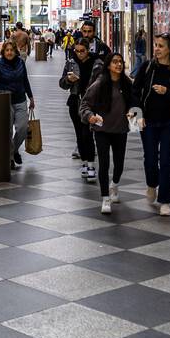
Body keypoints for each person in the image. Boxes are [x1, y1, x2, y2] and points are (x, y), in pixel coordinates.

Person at [133, 33, 170, 217]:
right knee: (150, 158)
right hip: (147, 121)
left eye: (161, 46)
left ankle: (165, 200)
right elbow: (135, 91)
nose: (156, 49)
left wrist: (168, 92)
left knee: (166, 161)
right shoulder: (147, 67)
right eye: (156, 45)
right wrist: (138, 115)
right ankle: (152, 184)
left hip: (169, 123)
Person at [79, 52, 136, 215]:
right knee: (104, 164)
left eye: (121, 62)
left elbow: (134, 103)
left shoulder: (127, 83)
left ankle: (114, 185)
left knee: (119, 164)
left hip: (120, 130)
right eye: (115, 62)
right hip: (102, 130)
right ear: (108, 65)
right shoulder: (99, 84)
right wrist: (90, 116)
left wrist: (134, 115)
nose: (119, 64)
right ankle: (105, 198)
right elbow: (84, 106)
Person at [0, 38, 35, 169]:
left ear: (15, 51)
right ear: (3, 51)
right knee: (6, 131)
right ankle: (10, 158)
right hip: (4, 100)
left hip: (20, 100)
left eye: (11, 50)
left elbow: (25, 80)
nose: (9, 52)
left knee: (22, 129)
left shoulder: (20, 62)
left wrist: (31, 97)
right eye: (7, 50)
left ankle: (13, 150)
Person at [60, 38, 102, 181]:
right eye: (76, 51)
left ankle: (91, 165)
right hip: (75, 102)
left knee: (87, 134)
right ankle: (84, 162)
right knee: (79, 135)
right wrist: (68, 80)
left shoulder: (97, 64)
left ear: (87, 49)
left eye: (82, 51)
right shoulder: (71, 63)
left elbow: (103, 83)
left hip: (90, 104)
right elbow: (62, 84)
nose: (79, 54)